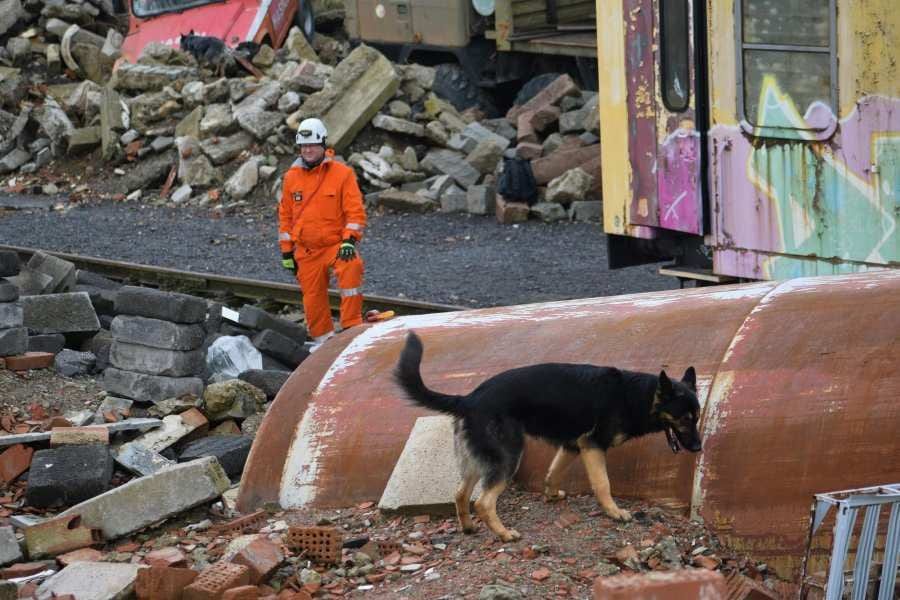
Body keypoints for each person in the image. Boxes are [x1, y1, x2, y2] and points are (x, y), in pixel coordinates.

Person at [278, 118, 367, 348]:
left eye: (312, 145)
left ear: (323, 145)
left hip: (335, 245)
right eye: (303, 146)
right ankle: (323, 345)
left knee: (352, 266)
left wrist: (349, 241)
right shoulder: (291, 177)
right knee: (313, 301)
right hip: (306, 250)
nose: (307, 150)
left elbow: (355, 212)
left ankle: (351, 328)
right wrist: (287, 252)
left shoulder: (342, 174)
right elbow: (285, 216)